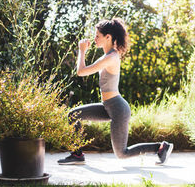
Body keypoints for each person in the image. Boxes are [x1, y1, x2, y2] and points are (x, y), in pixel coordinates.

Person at [57, 18, 173, 165]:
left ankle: (160, 147)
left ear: (108, 37)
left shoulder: (111, 57)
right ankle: (77, 154)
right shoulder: (106, 56)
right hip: (107, 106)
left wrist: (82, 50)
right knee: (74, 115)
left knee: (122, 153)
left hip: (118, 108)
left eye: (97, 36)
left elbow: (81, 72)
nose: (95, 39)